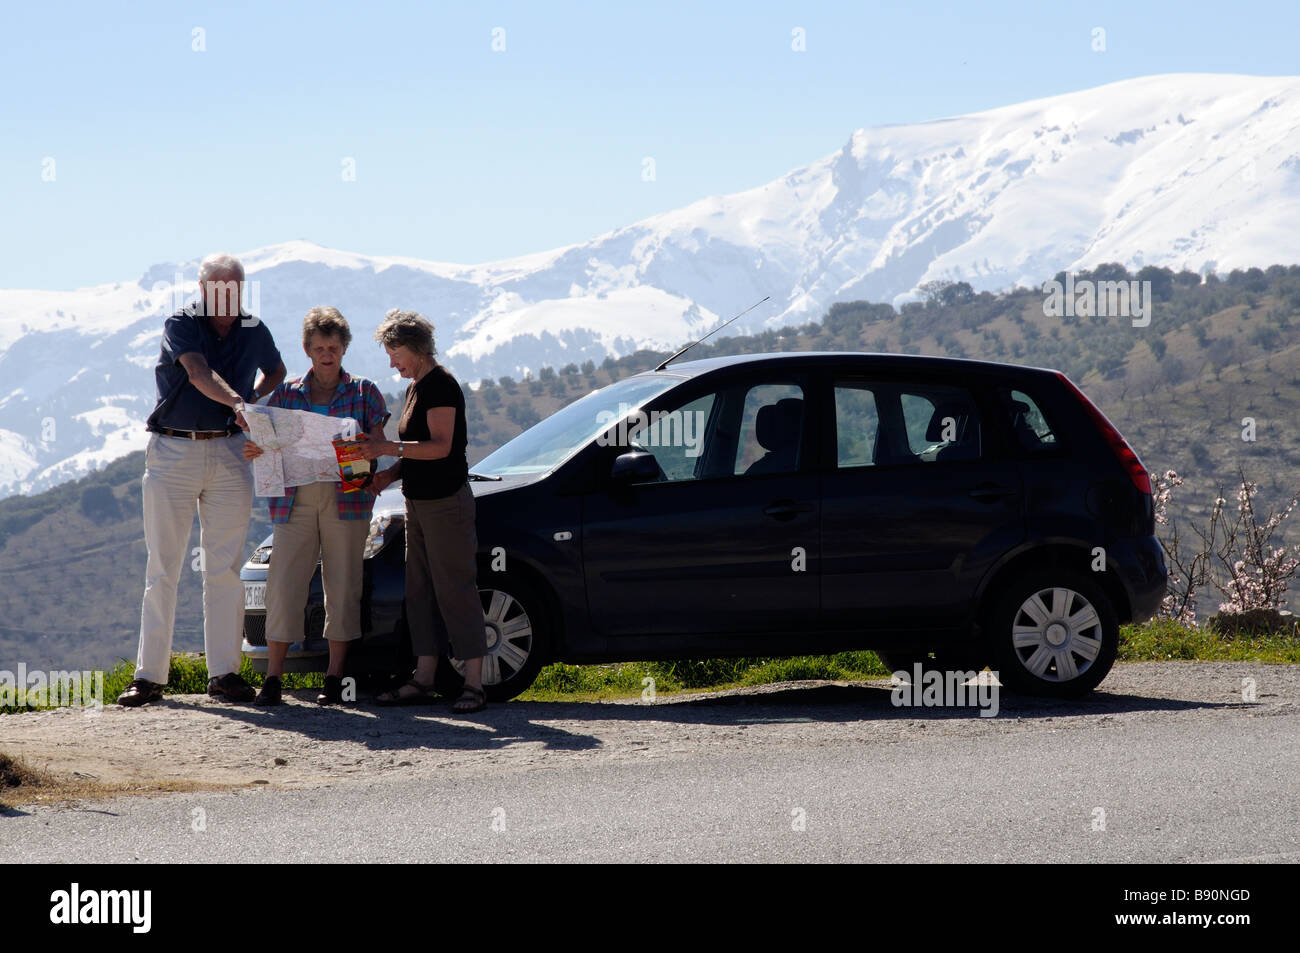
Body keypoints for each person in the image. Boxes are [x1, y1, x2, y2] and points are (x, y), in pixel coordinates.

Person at [118, 253, 286, 707]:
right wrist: (240, 404)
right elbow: (197, 373)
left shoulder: (255, 328)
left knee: (225, 568)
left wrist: (253, 400)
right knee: (164, 567)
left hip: (230, 451)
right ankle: (149, 677)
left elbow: (278, 370)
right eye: (218, 286)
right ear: (203, 288)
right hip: (174, 450)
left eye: (234, 285)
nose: (226, 293)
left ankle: (225, 674)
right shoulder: (182, 323)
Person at [242, 307, 390, 705]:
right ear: (307, 349)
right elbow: (266, 443)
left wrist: (362, 448)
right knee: (284, 583)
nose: (327, 354)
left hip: (349, 496)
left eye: (334, 347)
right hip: (295, 498)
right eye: (320, 347)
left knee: (343, 585)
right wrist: (257, 447)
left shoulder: (365, 392)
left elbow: (378, 442)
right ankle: (273, 677)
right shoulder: (287, 394)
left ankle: (335, 677)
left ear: (344, 349)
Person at [361, 309, 487, 713]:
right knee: (419, 593)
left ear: (410, 348)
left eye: (393, 353)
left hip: (446, 504)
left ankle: (474, 685)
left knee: (456, 590)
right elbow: (416, 453)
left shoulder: (441, 386)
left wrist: (384, 450)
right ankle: (424, 679)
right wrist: (389, 475)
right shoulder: (416, 386)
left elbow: (441, 447)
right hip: (418, 502)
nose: (391, 362)